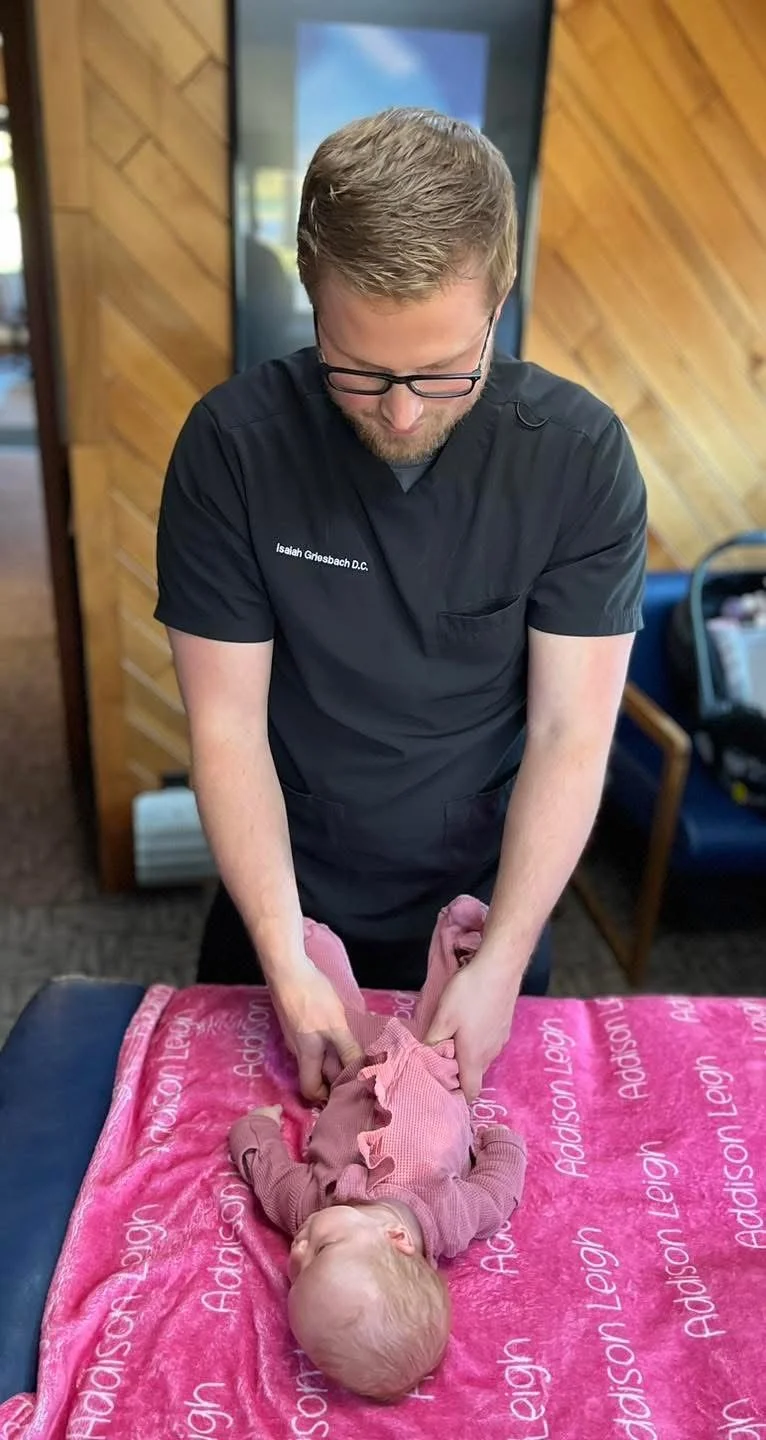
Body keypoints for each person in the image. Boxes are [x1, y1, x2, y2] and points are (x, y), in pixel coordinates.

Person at [155, 107, 647, 1107]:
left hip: (480, 909)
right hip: (284, 896)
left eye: (440, 370)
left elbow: (568, 732)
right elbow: (226, 724)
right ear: (309, 299)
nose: (402, 412)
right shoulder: (232, 450)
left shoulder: (578, 460)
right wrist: (287, 955)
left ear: (499, 301)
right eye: (361, 370)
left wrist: (502, 956)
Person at [228, 896, 527, 1401]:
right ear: (396, 1237)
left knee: (316, 1025)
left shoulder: (311, 1206)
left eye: (294, 1277)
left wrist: (254, 1129)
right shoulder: (448, 1216)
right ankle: (460, 947)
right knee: (455, 1020)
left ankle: (301, 946)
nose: (296, 1252)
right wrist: (497, 1140)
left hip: (349, 1063)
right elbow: (498, 1190)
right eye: (320, 1251)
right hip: (436, 1065)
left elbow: (270, 1173)